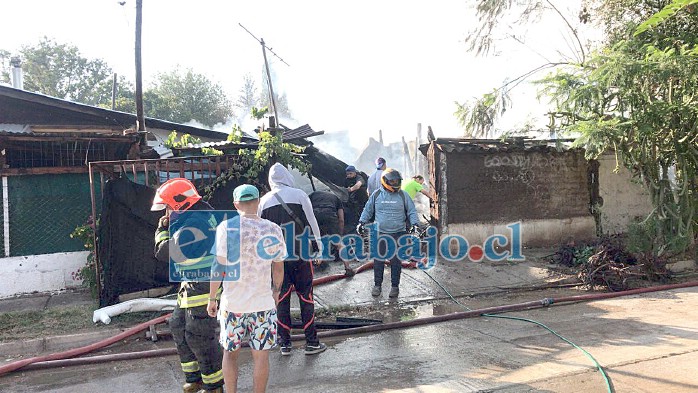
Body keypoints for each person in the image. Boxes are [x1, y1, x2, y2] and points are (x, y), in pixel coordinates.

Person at [207, 184, 286, 393]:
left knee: (229, 353)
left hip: (233, 305)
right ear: (258, 201)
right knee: (261, 356)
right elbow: (278, 267)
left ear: (235, 204)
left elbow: (218, 265)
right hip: (262, 304)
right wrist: (276, 292)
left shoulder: (226, 228)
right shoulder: (273, 229)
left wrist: (212, 298)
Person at [152, 178, 224, 393]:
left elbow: (165, 252)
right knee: (178, 326)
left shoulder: (196, 222)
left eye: (167, 206)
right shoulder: (197, 215)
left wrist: (160, 230)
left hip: (203, 286)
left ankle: (214, 386)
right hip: (191, 285)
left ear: (179, 203)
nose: (165, 212)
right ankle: (194, 379)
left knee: (199, 335)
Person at [258, 163, 328, 356]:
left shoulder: (263, 202)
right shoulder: (300, 195)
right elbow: (312, 223)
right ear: (288, 177)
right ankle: (312, 343)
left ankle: (284, 344)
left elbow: (260, 233)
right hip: (301, 256)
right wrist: (319, 249)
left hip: (276, 261)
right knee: (306, 298)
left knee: (281, 300)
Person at [357, 168, 420, 299]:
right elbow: (368, 209)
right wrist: (361, 222)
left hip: (399, 233)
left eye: (397, 181)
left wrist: (415, 224)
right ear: (385, 181)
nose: (395, 183)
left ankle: (395, 287)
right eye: (392, 181)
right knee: (378, 260)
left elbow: (412, 211)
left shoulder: (403, 195)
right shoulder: (376, 195)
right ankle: (377, 285)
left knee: (396, 262)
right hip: (380, 233)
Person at [309, 189, 355, 276]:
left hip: (315, 216)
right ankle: (348, 268)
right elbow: (341, 220)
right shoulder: (336, 198)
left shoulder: (312, 195)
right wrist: (339, 234)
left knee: (310, 241)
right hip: (330, 216)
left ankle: (309, 269)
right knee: (339, 244)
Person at [344, 165, 368, 232]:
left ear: (354, 172)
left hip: (361, 200)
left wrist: (350, 189)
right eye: (347, 174)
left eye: (350, 173)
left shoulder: (359, 177)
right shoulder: (347, 180)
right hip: (352, 201)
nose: (349, 175)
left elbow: (358, 185)